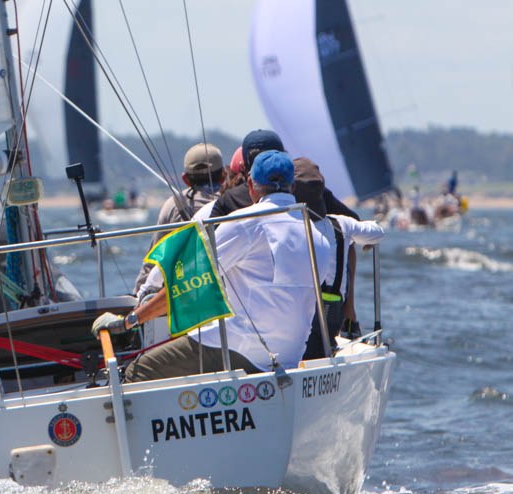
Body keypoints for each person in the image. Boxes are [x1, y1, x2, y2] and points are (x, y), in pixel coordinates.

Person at [92, 151, 332, 381]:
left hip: (243, 350)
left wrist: (129, 321)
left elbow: (187, 286)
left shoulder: (244, 223)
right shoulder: (318, 236)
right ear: (292, 186)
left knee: (138, 371)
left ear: (250, 185)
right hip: (290, 357)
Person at [290, 158, 385, 359]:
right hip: (332, 316)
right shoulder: (342, 225)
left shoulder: (285, 228)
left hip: (294, 319)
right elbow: (377, 233)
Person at [132, 142, 225, 299]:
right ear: (223, 175)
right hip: (226, 294)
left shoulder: (172, 206)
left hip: (185, 296)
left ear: (185, 179)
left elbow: (155, 259)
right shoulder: (233, 201)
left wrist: (138, 296)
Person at [202, 129, 359, 221]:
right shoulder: (309, 187)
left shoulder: (229, 199)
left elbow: (208, 244)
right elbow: (353, 220)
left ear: (244, 164)